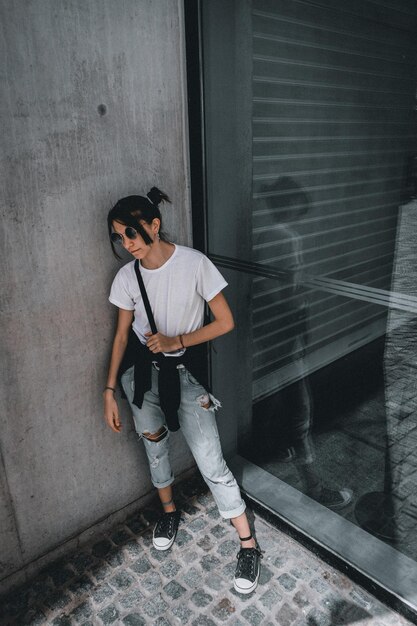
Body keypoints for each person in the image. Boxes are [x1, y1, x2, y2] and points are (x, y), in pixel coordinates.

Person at [103, 187, 262, 594]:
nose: (128, 244)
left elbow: (225, 321)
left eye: (133, 234)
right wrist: (107, 390)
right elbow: (122, 336)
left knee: (210, 460)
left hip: (185, 377)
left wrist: (179, 341)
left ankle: (247, 542)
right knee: (153, 445)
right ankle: (169, 511)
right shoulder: (126, 276)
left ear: (154, 225)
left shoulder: (194, 263)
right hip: (141, 379)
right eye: (120, 237)